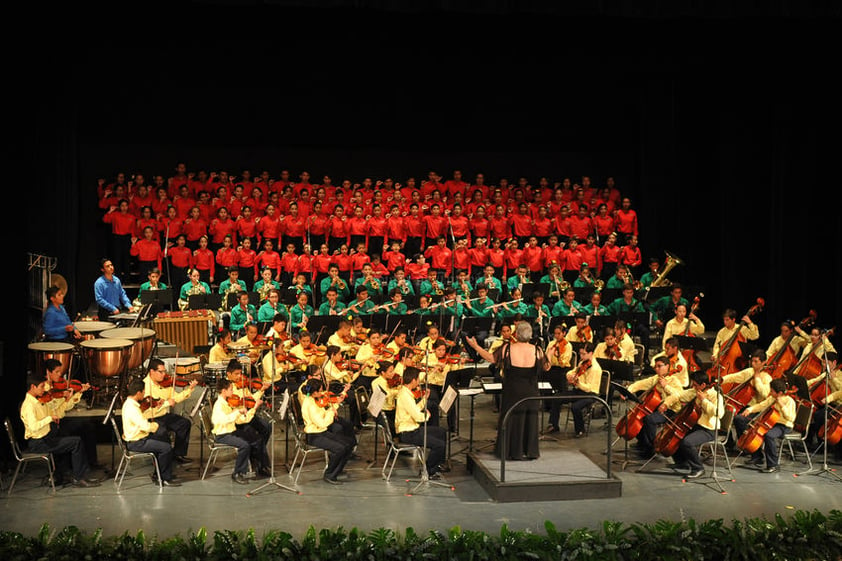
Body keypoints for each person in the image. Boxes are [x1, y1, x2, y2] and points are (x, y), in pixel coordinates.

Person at [466, 321, 549, 460]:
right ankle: (529, 451)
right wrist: (550, 353)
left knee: (511, 419)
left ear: (516, 333)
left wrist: (475, 346)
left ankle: (511, 451)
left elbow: (491, 358)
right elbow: (546, 367)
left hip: (513, 391)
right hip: (530, 392)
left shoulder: (508, 348)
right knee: (530, 419)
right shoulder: (537, 350)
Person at [19, 374, 101, 487]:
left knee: (73, 434)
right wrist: (49, 418)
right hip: (39, 442)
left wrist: (68, 400)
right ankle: (78, 478)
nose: (44, 389)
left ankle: (64, 473)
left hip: (48, 436)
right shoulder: (29, 406)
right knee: (76, 442)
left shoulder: (40, 401)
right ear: (33, 387)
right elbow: (34, 427)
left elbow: (57, 412)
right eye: (42, 386)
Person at [42, 358, 101, 470]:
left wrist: (77, 394)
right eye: (57, 372)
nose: (60, 375)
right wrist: (64, 398)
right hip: (51, 426)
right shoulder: (44, 390)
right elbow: (54, 407)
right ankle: (73, 468)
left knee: (89, 426)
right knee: (71, 433)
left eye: (60, 372)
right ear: (48, 372)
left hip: (59, 419)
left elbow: (64, 408)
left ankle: (92, 462)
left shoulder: (57, 387)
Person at [121, 380, 181, 486]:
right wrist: (155, 426)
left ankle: (159, 474)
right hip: (137, 442)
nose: (144, 394)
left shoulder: (129, 404)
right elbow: (146, 426)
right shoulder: (132, 408)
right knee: (166, 448)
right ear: (138, 393)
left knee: (163, 438)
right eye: (143, 392)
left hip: (137, 438)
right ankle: (163, 478)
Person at [212, 378, 270, 483]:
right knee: (244, 445)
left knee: (257, 439)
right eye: (230, 389)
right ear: (224, 391)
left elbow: (242, 420)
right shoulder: (219, 405)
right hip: (223, 434)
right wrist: (237, 412)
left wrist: (251, 409)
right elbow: (220, 420)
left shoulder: (228, 402)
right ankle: (237, 473)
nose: (233, 392)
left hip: (231, 431)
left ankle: (260, 466)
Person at [300, 377, 357, 485]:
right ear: (315, 392)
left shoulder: (315, 399)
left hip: (322, 432)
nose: (323, 393)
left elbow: (325, 413)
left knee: (349, 443)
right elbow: (322, 423)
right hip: (314, 436)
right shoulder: (310, 405)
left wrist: (336, 403)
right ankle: (330, 474)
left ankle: (337, 470)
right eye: (320, 390)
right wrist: (331, 411)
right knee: (340, 448)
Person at [394, 366, 449, 479]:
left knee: (441, 432)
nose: (419, 382)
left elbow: (414, 409)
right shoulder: (405, 396)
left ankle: (438, 463)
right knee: (439, 445)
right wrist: (427, 415)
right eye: (418, 380)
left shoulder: (406, 393)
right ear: (413, 380)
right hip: (408, 433)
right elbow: (419, 417)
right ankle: (427, 471)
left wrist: (424, 399)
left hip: (412, 429)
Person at [141, 358, 198, 465]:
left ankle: (177, 454)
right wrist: (167, 403)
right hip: (151, 419)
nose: (164, 375)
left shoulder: (165, 384)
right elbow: (148, 410)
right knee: (162, 432)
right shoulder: (144, 386)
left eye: (164, 372)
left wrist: (189, 389)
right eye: (161, 372)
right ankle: (161, 459)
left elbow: (175, 398)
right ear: (152, 372)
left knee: (185, 424)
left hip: (164, 416)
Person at [671, 371, 726, 479]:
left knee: (687, 442)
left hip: (709, 429)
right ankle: (683, 461)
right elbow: (680, 395)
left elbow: (719, 413)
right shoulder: (696, 391)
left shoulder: (715, 396)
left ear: (703, 385)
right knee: (677, 435)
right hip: (697, 426)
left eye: (695, 385)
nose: (693, 387)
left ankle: (698, 468)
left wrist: (704, 400)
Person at [735, 378, 796, 473]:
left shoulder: (789, 401)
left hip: (784, 425)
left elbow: (790, 418)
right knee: (743, 421)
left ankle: (773, 465)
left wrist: (782, 405)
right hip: (772, 423)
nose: (770, 393)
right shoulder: (772, 398)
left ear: (779, 393)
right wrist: (750, 410)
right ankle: (756, 456)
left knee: (769, 435)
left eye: (772, 391)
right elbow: (761, 405)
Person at [561, 342, 603, 438]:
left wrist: (578, 383)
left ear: (591, 353)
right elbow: (575, 370)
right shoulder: (582, 363)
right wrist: (569, 375)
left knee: (575, 407)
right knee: (557, 397)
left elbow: (589, 388)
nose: (581, 356)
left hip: (591, 394)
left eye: (584, 354)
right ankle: (553, 425)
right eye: (580, 353)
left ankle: (580, 430)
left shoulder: (595, 369)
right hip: (579, 391)